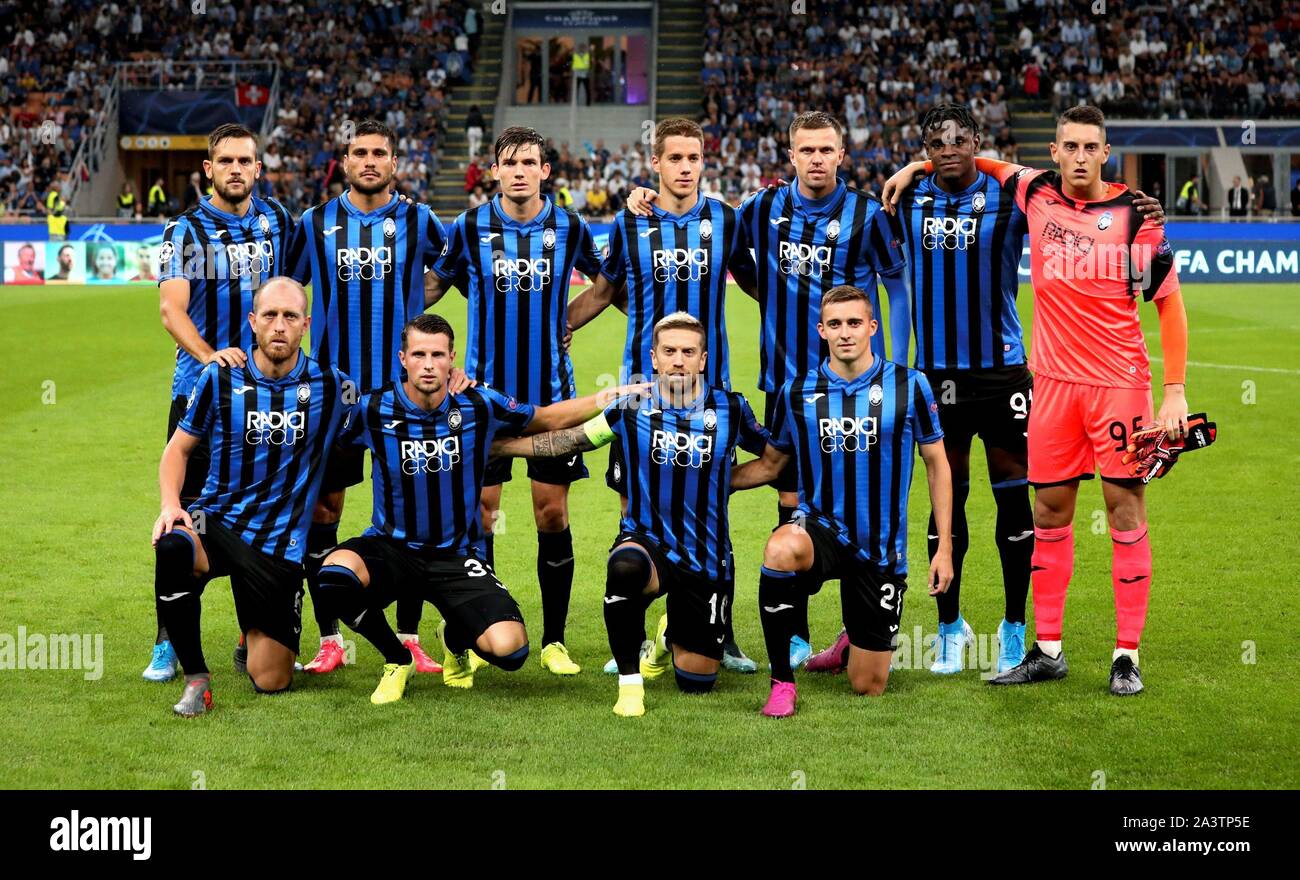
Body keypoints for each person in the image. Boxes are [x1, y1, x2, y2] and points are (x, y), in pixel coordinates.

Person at [890, 105, 1187, 696]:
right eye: (1069, 147)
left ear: (1106, 153)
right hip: (1050, 385)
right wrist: (916, 164)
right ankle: (1046, 649)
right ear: (1052, 153)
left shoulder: (1136, 216)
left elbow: (1169, 301)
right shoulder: (1035, 193)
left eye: (1090, 147)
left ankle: (1126, 654)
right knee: (1049, 513)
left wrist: (1174, 391)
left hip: (1119, 386)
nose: (1079, 157)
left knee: (1125, 513)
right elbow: (970, 158)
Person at [627, 110, 910, 671]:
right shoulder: (763, 208)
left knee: (861, 503)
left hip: (859, 388)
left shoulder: (867, 215)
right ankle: (790, 635)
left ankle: (868, 624)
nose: (817, 159)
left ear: (841, 155)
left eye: (826, 150)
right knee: (790, 500)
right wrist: (646, 198)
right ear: (791, 156)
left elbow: (897, 287)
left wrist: (897, 365)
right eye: (806, 150)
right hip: (786, 385)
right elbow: (725, 245)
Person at [317, 313, 648, 702]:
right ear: (402, 358)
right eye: (419, 354)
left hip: (456, 555)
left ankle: (455, 637)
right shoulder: (373, 409)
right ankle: (396, 657)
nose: (428, 364)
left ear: (452, 358)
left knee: (510, 651)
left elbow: (545, 421)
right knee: (334, 577)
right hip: (391, 549)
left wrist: (610, 399)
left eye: (438, 355)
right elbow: (330, 450)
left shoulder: (478, 404)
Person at [496, 313, 771, 716]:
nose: (679, 360)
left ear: (704, 359)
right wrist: (500, 448)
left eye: (688, 352)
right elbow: (568, 441)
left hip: (707, 557)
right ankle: (630, 683)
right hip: (647, 542)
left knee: (697, 682)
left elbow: (774, 459)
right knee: (624, 566)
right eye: (670, 351)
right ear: (654, 359)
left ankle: (666, 638)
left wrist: (721, 480)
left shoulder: (731, 408)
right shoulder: (630, 409)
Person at [567, 117, 762, 673]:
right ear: (655, 163)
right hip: (642, 401)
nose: (684, 167)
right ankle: (637, 636)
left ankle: (717, 631)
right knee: (634, 510)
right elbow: (601, 292)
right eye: (673, 158)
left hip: (710, 391)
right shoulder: (631, 224)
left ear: (704, 162)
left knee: (713, 513)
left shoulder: (725, 220)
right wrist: (559, 326)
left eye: (693, 158)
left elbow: (758, 285)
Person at [425, 126, 604, 676]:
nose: (521, 170)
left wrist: (564, 322)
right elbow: (433, 286)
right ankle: (478, 631)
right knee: (482, 514)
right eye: (511, 162)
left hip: (551, 395)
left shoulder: (569, 226)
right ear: (495, 170)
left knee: (551, 513)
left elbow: (606, 284)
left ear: (545, 170)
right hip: (480, 402)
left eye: (531, 161)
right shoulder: (471, 225)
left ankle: (553, 639)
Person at [731, 285, 954, 717]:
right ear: (821, 330)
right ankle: (781, 682)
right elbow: (772, 465)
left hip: (881, 549)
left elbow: (937, 464)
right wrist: (710, 481)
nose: (845, 333)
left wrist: (943, 548)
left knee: (868, 686)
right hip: (822, 529)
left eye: (854, 323)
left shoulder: (911, 385)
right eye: (835, 324)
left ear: (872, 327)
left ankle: (849, 642)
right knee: (781, 548)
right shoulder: (795, 391)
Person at [284, 119, 449, 675]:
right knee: (323, 509)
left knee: (411, 515)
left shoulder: (420, 220)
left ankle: (408, 637)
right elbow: (288, 288)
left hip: (402, 396)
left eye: (380, 152)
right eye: (360, 152)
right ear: (345, 161)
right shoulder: (315, 222)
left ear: (395, 162)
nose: (370, 160)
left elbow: (454, 271)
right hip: (331, 396)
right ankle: (330, 638)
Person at [149, 277, 352, 716]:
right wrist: (171, 505)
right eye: (271, 316)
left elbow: (389, 423)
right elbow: (178, 450)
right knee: (173, 547)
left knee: (272, 680)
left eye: (290, 317)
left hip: (279, 546)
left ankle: (254, 630)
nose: (280, 325)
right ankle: (196, 679)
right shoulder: (220, 376)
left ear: (305, 325)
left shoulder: (332, 386)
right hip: (216, 523)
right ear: (253, 322)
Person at [148, 123, 296, 682]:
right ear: (208, 169)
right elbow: (171, 310)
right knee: (179, 522)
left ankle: (251, 633)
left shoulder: (278, 221)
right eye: (226, 160)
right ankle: (167, 642)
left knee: (257, 516)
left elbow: (300, 294)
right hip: (199, 399)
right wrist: (211, 356)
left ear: (259, 168)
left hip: (265, 403)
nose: (236, 169)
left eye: (246, 160)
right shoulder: (183, 230)